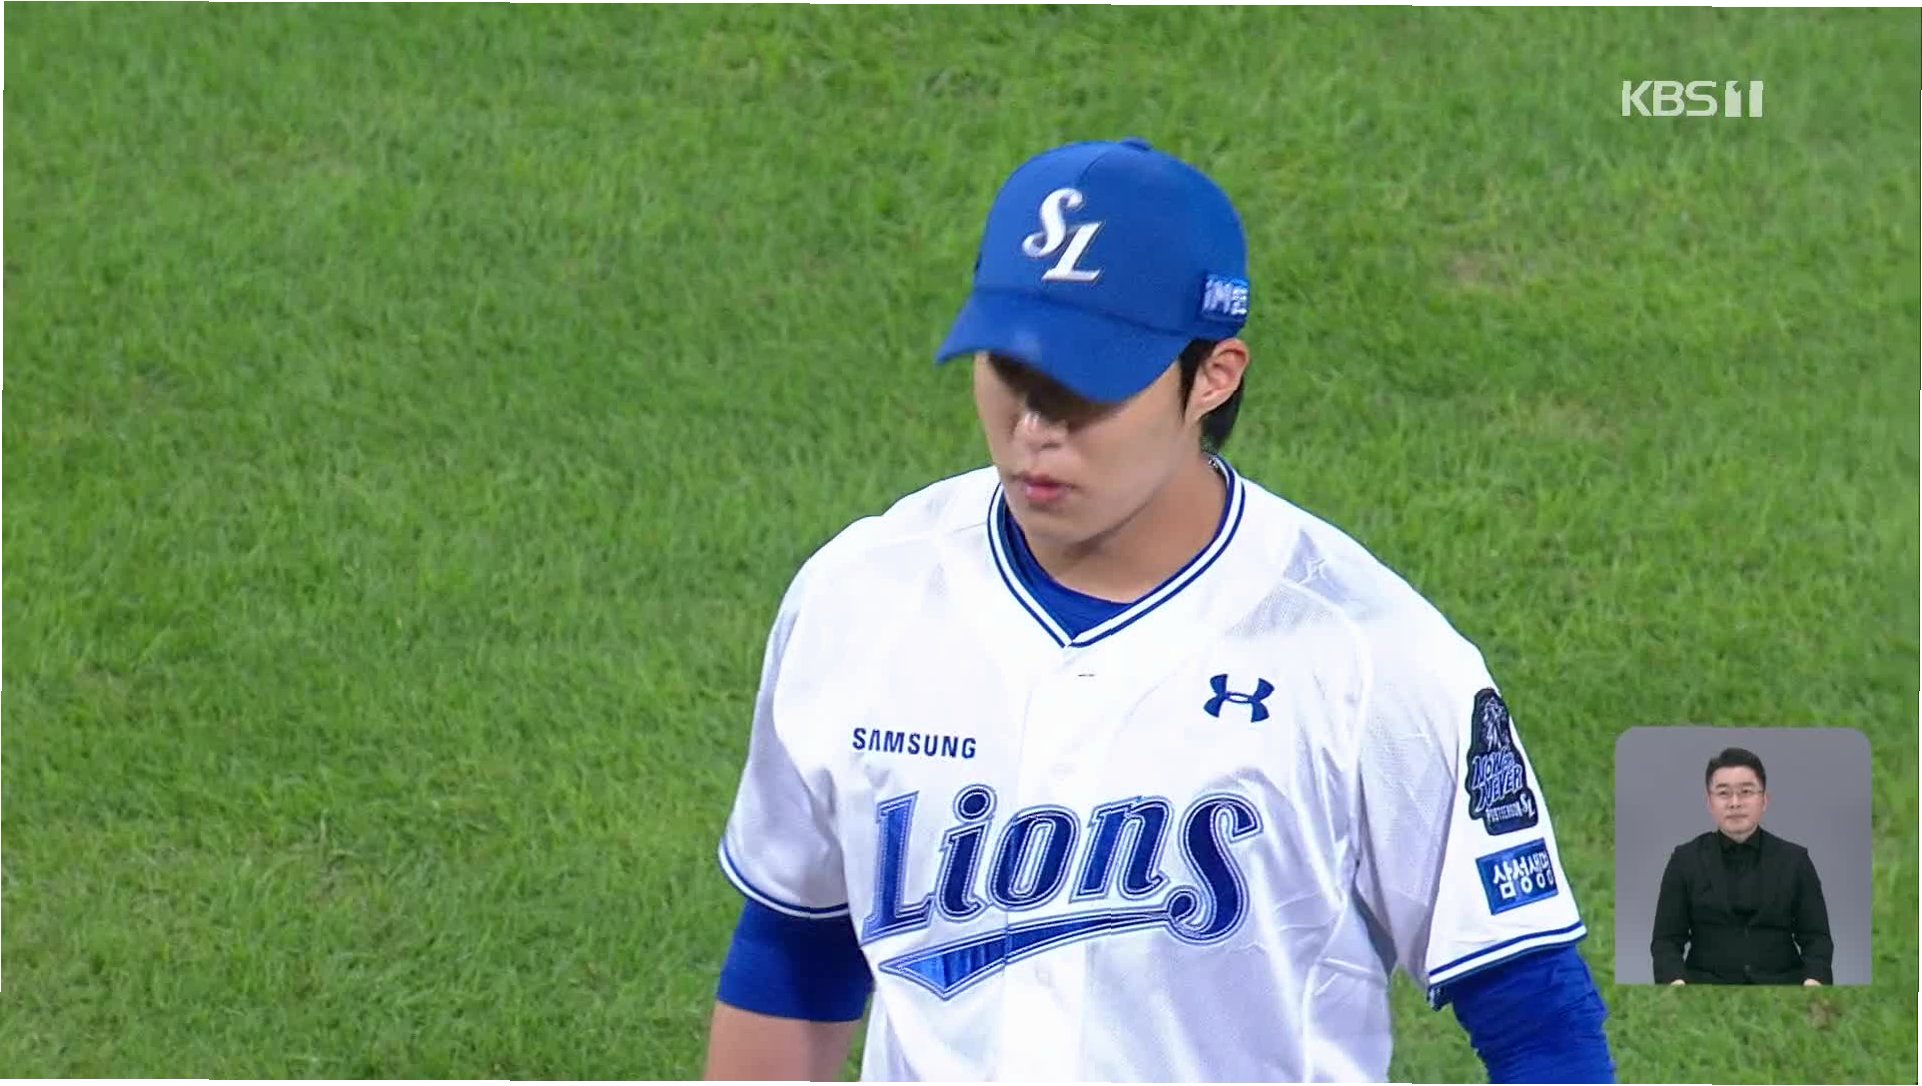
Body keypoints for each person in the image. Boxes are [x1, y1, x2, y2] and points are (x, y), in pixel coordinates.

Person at [702, 138, 1614, 1082]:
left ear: (1213, 374)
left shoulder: (1370, 656)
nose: (1034, 428)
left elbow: (1538, 1022)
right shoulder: (864, 594)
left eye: (1085, 382)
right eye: (1009, 368)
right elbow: (797, 947)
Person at [1650, 747, 1834, 986]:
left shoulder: (1795, 860)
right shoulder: (1684, 860)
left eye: (1746, 792)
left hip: (1782, 986)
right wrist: (1677, 985)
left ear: (1764, 800)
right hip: (1705, 989)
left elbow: (1817, 938)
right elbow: (1665, 941)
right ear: (1709, 802)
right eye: (1723, 793)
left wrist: (1813, 982)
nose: (1735, 803)